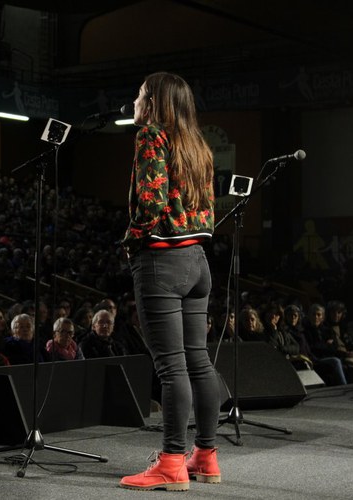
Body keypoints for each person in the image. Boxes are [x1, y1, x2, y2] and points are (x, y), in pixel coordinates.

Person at [119, 72, 220, 491]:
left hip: (163, 261)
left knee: (172, 366)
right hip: (198, 261)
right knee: (199, 361)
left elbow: (151, 201)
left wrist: (133, 237)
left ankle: (172, 463)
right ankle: (206, 456)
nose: (136, 99)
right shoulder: (198, 144)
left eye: (141, 93)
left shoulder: (150, 137)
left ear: (155, 101)